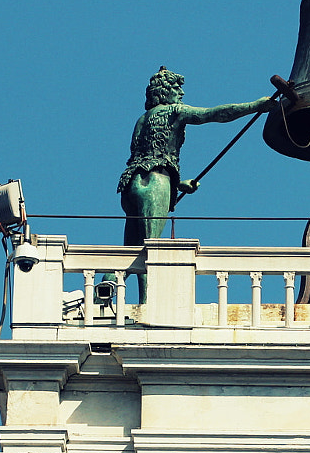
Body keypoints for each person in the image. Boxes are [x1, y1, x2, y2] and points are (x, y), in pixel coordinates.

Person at [117, 67, 275, 298]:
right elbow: (216, 114)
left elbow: (145, 156)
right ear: (165, 92)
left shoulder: (142, 120)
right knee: (150, 250)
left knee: (128, 253)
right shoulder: (176, 111)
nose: (181, 94)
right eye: (176, 89)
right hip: (157, 183)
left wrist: (178, 184)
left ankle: (102, 290)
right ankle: (147, 304)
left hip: (131, 184)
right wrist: (255, 106)